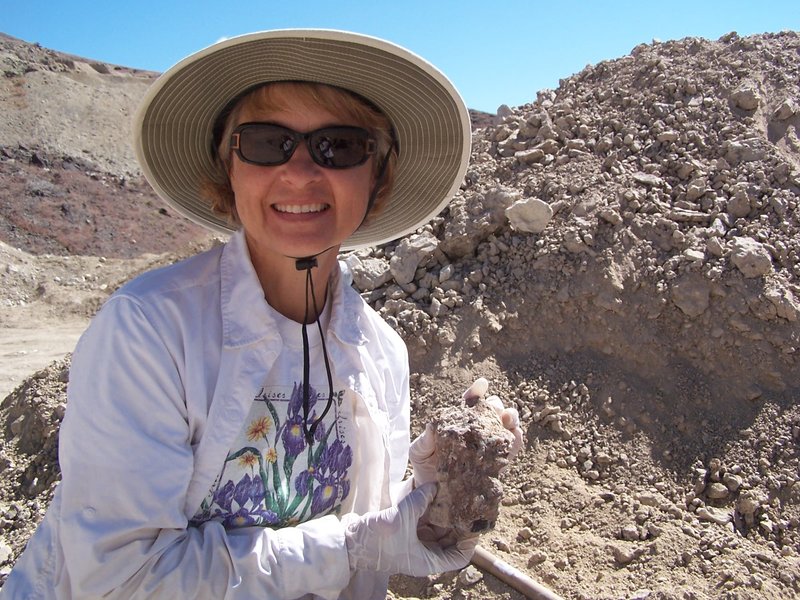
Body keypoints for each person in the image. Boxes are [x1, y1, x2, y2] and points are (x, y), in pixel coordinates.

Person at [2, 30, 522, 599]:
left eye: (341, 146)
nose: (299, 172)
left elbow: (358, 529)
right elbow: (118, 579)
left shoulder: (381, 354)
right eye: (266, 142)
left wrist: (431, 490)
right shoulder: (148, 331)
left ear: (378, 176)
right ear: (229, 166)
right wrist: (355, 545)